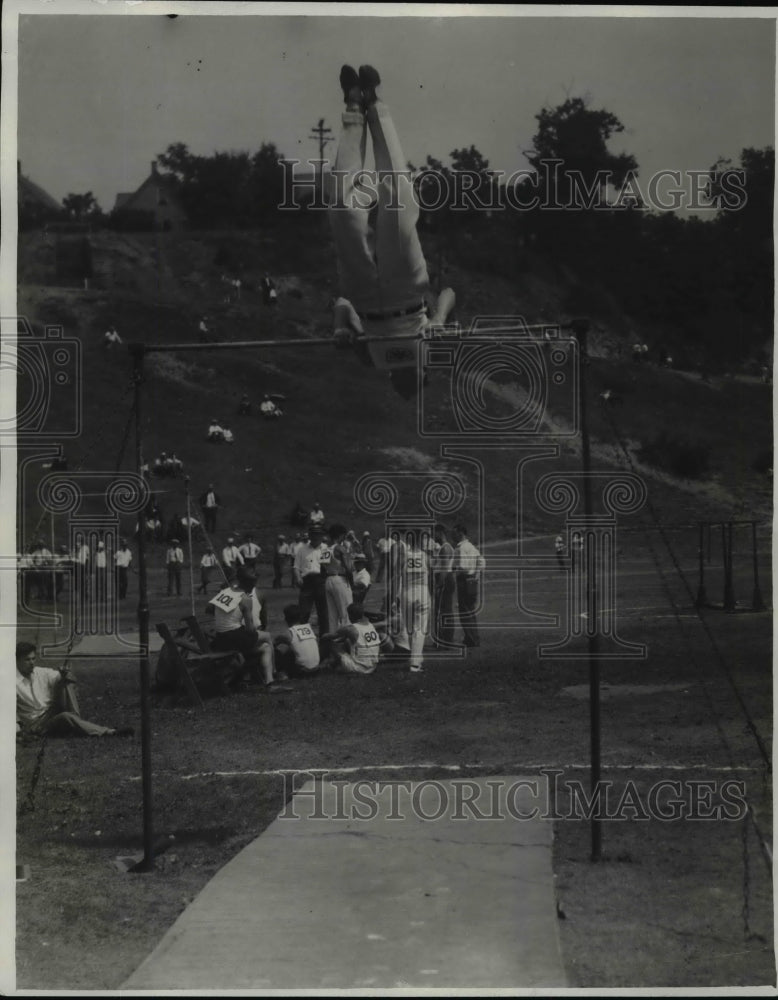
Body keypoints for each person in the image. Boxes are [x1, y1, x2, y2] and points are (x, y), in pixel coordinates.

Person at [328, 64, 456, 400]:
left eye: (400, 379)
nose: (404, 373)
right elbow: (448, 294)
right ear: (423, 372)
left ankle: (354, 107)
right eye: (413, 376)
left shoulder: (372, 361)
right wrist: (439, 319)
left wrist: (341, 327)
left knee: (342, 210)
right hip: (405, 291)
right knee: (398, 202)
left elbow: (343, 305)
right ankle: (376, 106)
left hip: (363, 294)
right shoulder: (430, 353)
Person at [16, 642, 133, 738]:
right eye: (27, 660)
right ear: (17, 661)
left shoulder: (40, 672)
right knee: (66, 717)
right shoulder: (11, 682)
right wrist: (19, 732)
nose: (32, 663)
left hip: (52, 712)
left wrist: (65, 673)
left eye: (33, 659)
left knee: (65, 681)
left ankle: (75, 720)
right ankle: (109, 732)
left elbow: (67, 678)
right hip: (38, 723)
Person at [208, 568, 288, 692]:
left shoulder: (225, 591)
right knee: (267, 637)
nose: (253, 587)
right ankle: (273, 674)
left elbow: (209, 609)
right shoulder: (245, 598)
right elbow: (250, 630)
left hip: (220, 637)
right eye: (252, 584)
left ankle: (271, 678)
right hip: (234, 637)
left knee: (266, 646)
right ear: (246, 583)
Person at [389, 528, 432, 672]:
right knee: (419, 628)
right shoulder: (426, 556)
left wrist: (395, 596)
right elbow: (432, 575)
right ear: (420, 540)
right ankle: (415, 661)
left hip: (407, 591)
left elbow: (396, 577)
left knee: (410, 628)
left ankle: (416, 658)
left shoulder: (403, 556)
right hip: (422, 590)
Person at [320, 603, 393, 675]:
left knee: (329, 643)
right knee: (348, 642)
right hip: (372, 667)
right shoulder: (370, 625)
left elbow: (327, 637)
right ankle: (331, 665)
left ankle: (318, 665)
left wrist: (323, 636)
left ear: (350, 615)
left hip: (358, 669)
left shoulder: (349, 629)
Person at [451, 523, 485, 648]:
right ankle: (472, 637)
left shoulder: (460, 548)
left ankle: (471, 639)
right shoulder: (471, 547)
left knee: (464, 611)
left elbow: (463, 567)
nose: (452, 535)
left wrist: (453, 569)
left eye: (454, 533)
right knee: (470, 610)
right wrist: (476, 574)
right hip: (472, 581)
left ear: (461, 533)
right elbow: (481, 562)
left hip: (464, 581)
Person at [294, 524, 329, 636]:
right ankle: (303, 638)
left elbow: (326, 567)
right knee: (303, 612)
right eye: (313, 534)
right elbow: (296, 567)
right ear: (309, 535)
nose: (315, 537)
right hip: (306, 583)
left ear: (322, 536)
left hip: (321, 581)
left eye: (318, 535)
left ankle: (324, 638)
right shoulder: (302, 549)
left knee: (323, 613)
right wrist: (298, 577)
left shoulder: (325, 548)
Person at [273, 604, 322, 677]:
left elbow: (274, 643)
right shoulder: (309, 628)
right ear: (300, 617)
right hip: (316, 669)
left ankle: (280, 673)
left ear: (286, 619)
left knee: (276, 652)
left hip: (302, 672)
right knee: (293, 649)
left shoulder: (289, 632)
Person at [323, 523, 354, 631]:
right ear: (340, 535)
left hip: (328, 580)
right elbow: (349, 568)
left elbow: (322, 568)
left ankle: (334, 641)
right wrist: (352, 584)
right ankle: (349, 641)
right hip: (340, 579)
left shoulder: (325, 549)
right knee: (346, 613)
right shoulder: (340, 548)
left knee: (332, 616)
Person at [432, 524, 456, 647]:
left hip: (444, 579)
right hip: (446, 579)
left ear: (440, 533)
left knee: (444, 610)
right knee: (444, 610)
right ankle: (444, 638)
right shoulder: (445, 547)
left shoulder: (445, 548)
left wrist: (438, 585)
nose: (433, 536)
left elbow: (444, 569)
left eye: (434, 533)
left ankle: (446, 639)